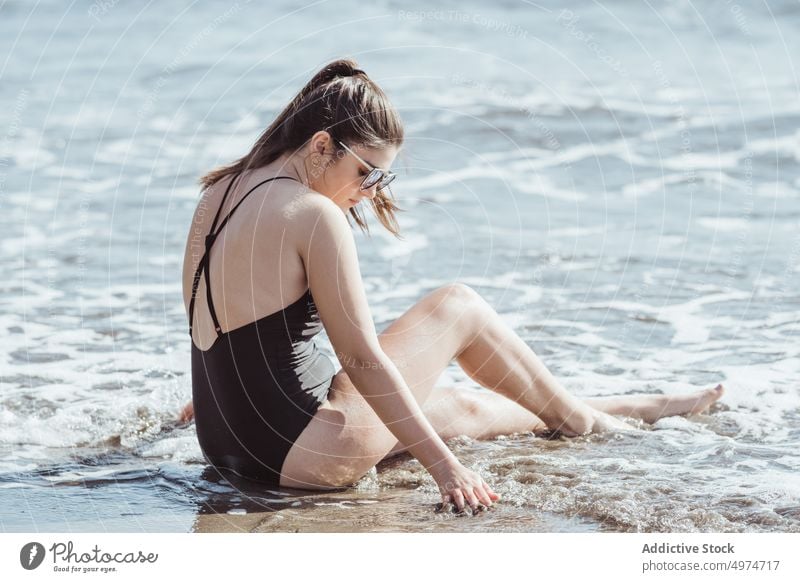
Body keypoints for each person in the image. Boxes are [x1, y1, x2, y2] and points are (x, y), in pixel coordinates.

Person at [181, 58, 724, 515]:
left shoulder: (221, 190)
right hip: (305, 453)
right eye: (368, 172)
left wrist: (222, 397)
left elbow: (215, 322)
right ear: (322, 145)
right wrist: (447, 469)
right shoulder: (312, 213)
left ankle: (633, 407)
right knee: (458, 306)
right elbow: (364, 359)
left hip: (229, 441)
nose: (371, 192)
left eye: (382, 179)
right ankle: (582, 421)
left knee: (461, 409)